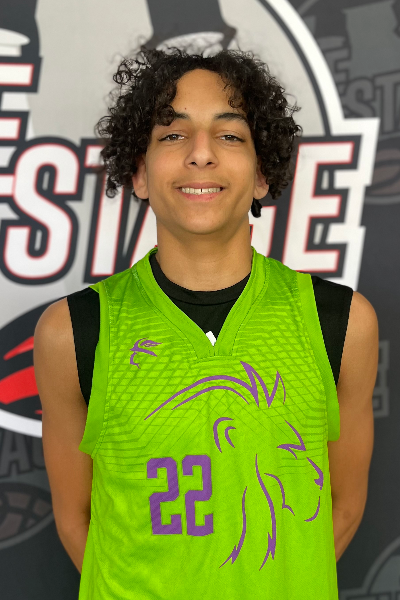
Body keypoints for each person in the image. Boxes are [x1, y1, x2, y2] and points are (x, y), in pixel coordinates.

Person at [33, 46, 378, 600]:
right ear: (139, 173)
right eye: (172, 134)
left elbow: (341, 507)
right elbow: (77, 521)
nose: (200, 153)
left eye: (230, 135)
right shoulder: (72, 332)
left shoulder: (340, 321)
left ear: (262, 175)